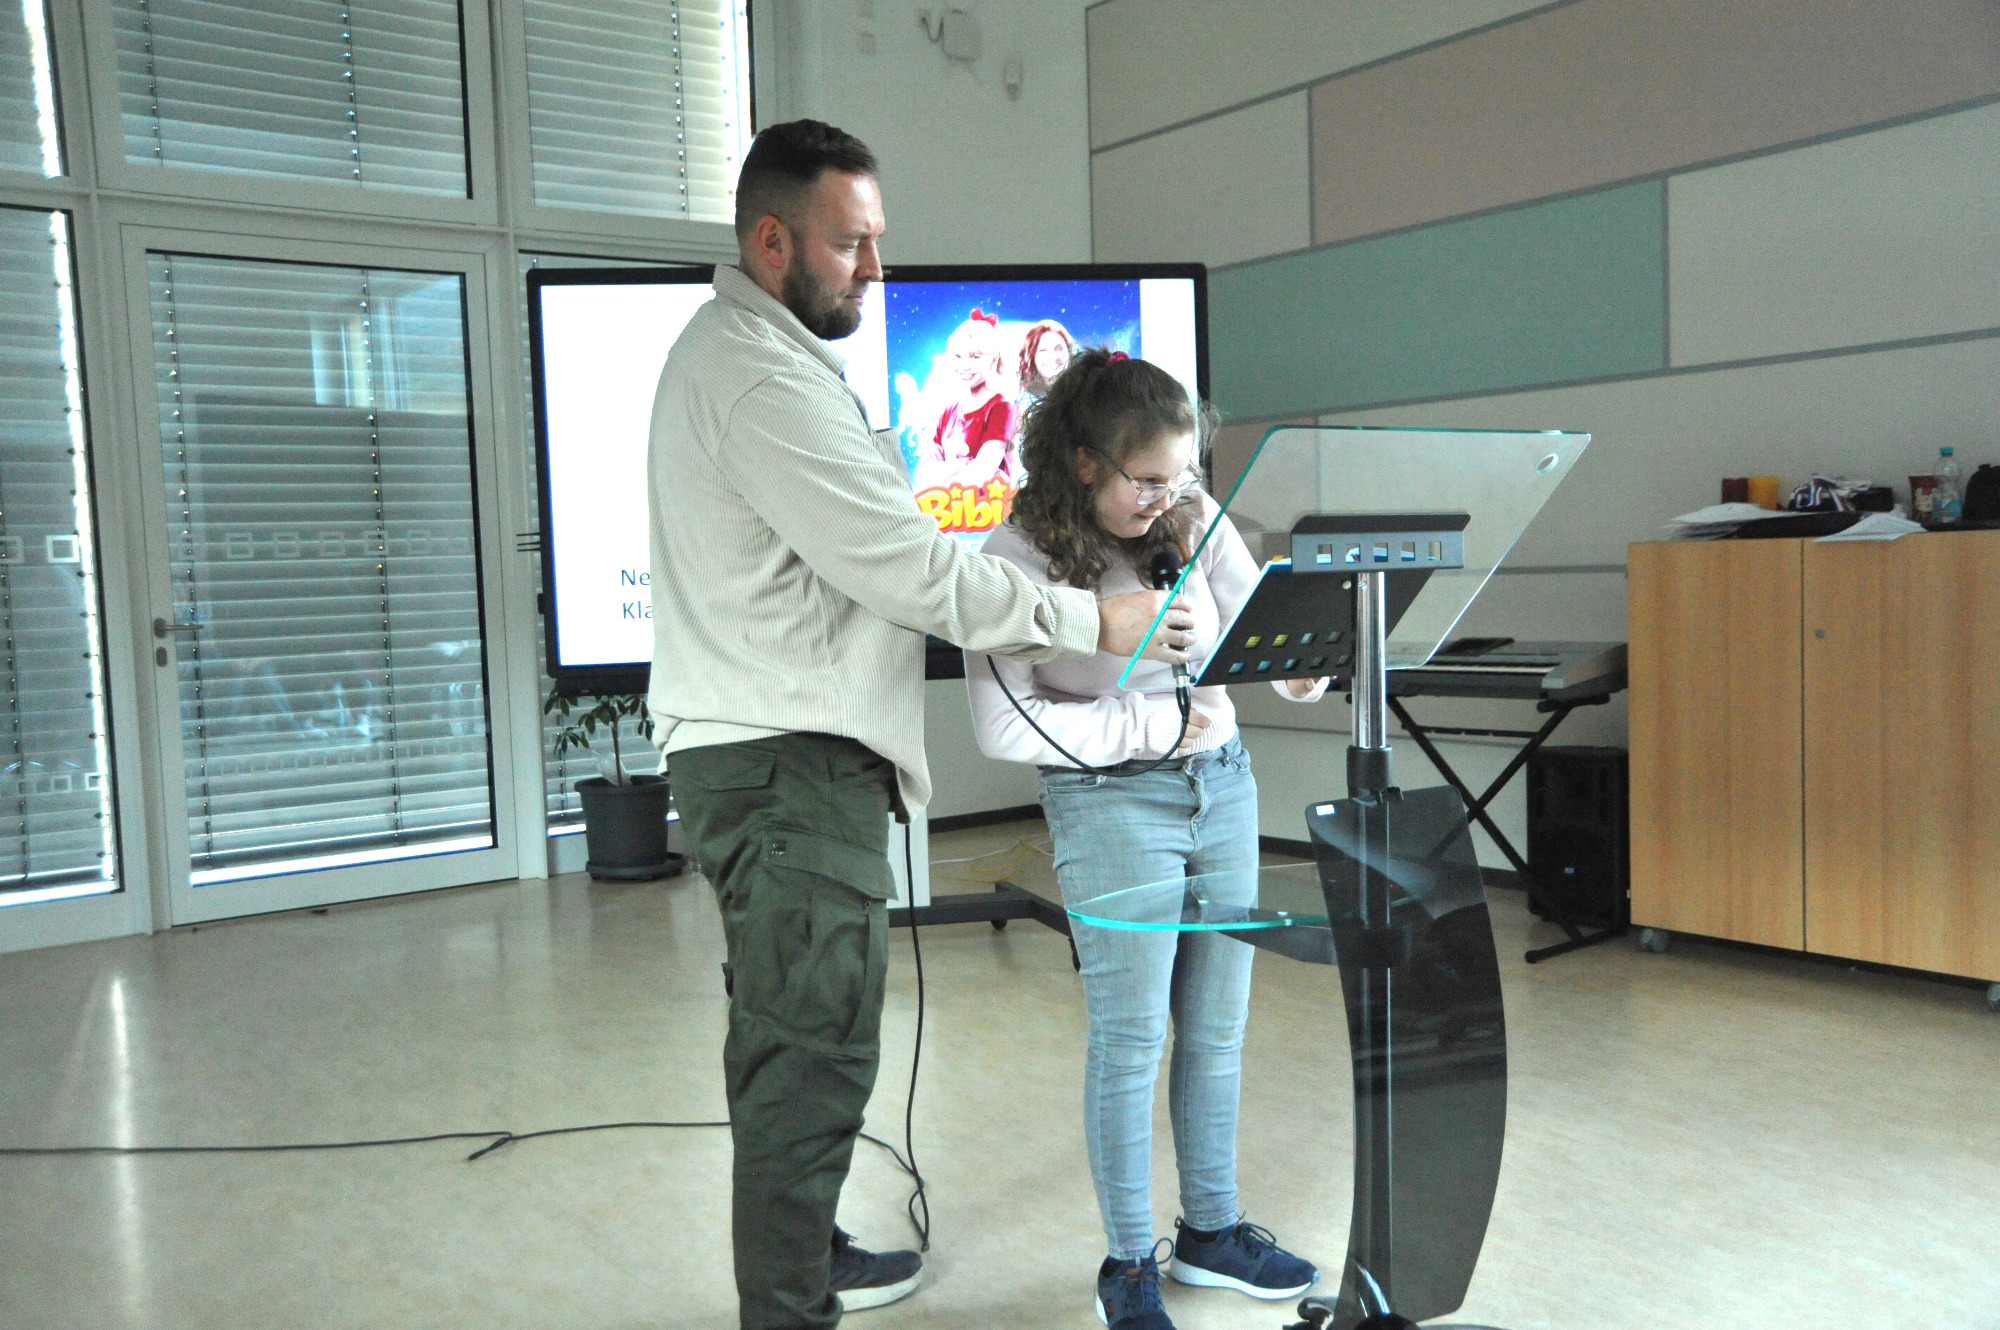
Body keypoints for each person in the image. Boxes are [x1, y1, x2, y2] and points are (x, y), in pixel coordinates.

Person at [644, 121, 1193, 1330]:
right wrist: (1089, 619)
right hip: (784, 764)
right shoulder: (760, 380)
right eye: (850, 244)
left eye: (877, 241)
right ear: (771, 239)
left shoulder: (768, 358)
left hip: (783, 757)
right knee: (811, 1053)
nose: (874, 270)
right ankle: (787, 1305)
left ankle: (806, 1252)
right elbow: (906, 567)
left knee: (799, 1036)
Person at [965, 349, 1327, 1330]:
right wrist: (1146, 724)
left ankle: (1211, 1231)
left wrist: (1299, 665)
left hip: (1224, 786)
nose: (1169, 498)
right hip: (1108, 803)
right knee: (1130, 1041)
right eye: (1148, 480)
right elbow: (1003, 725)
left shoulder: (1189, 516)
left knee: (1216, 1028)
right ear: (1084, 462)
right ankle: (1128, 1265)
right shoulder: (1011, 560)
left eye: (1182, 476)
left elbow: (1255, 620)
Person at [912, 307, 1018, 495]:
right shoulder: (949, 410)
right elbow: (923, 474)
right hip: (948, 508)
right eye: (958, 357)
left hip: (990, 508)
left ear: (993, 360)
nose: (964, 366)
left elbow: (984, 472)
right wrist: (963, 466)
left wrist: (945, 471)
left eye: (975, 357)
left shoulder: (1002, 408)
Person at [1015, 317, 1075, 398]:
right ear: (1031, 357)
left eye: (1059, 348)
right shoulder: (1023, 400)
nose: (1053, 357)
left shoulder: (1085, 391)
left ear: (1069, 351)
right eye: (1043, 350)